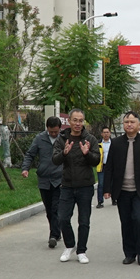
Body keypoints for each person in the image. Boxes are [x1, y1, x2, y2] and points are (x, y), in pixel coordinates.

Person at [103, 111, 140, 266]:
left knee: (139, 220)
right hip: (122, 191)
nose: (129, 124)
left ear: (139, 125)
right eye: (126, 122)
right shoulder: (116, 143)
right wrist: (107, 189)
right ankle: (129, 253)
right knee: (126, 222)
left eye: (132, 122)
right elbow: (109, 168)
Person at [52, 108, 101, 264]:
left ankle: (81, 251)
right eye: (75, 120)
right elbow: (55, 160)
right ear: (69, 121)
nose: (78, 123)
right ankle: (70, 245)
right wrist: (64, 153)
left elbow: (96, 161)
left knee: (84, 220)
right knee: (62, 218)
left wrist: (87, 153)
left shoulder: (90, 139)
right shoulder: (62, 139)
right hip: (67, 185)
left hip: (85, 185)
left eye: (81, 120)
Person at [21, 116, 63, 248]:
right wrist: (25, 168)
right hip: (44, 179)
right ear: (47, 128)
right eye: (51, 131)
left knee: (56, 208)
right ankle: (56, 231)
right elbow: (30, 154)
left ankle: (53, 235)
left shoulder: (64, 139)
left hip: (60, 179)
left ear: (60, 129)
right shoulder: (40, 139)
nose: (54, 134)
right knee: (49, 209)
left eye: (56, 131)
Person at [95, 127, 112, 208]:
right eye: (104, 132)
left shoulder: (113, 143)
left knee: (112, 183)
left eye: (107, 132)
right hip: (102, 166)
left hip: (111, 166)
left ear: (110, 133)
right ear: (101, 134)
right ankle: (100, 201)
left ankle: (114, 199)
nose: (106, 134)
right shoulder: (98, 144)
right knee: (101, 184)